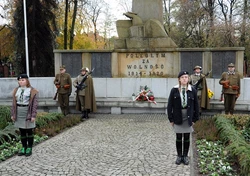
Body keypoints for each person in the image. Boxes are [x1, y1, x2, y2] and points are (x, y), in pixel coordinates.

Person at [167, 71, 199, 165]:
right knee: (178, 136)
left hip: (188, 116)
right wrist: (171, 119)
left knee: (186, 136)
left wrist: (194, 119)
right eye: (182, 77)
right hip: (178, 115)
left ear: (188, 79)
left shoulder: (192, 90)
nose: (185, 79)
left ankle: (185, 156)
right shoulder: (174, 90)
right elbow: (170, 105)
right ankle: (179, 156)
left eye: (186, 77)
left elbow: (196, 105)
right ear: (179, 79)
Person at [11, 74, 39, 156]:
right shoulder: (16, 90)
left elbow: (35, 104)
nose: (21, 81)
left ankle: (29, 147)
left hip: (28, 111)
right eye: (19, 80)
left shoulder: (32, 91)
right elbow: (13, 103)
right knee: (22, 131)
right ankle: (24, 147)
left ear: (27, 81)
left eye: (23, 80)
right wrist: (13, 114)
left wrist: (33, 115)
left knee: (29, 130)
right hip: (19, 111)